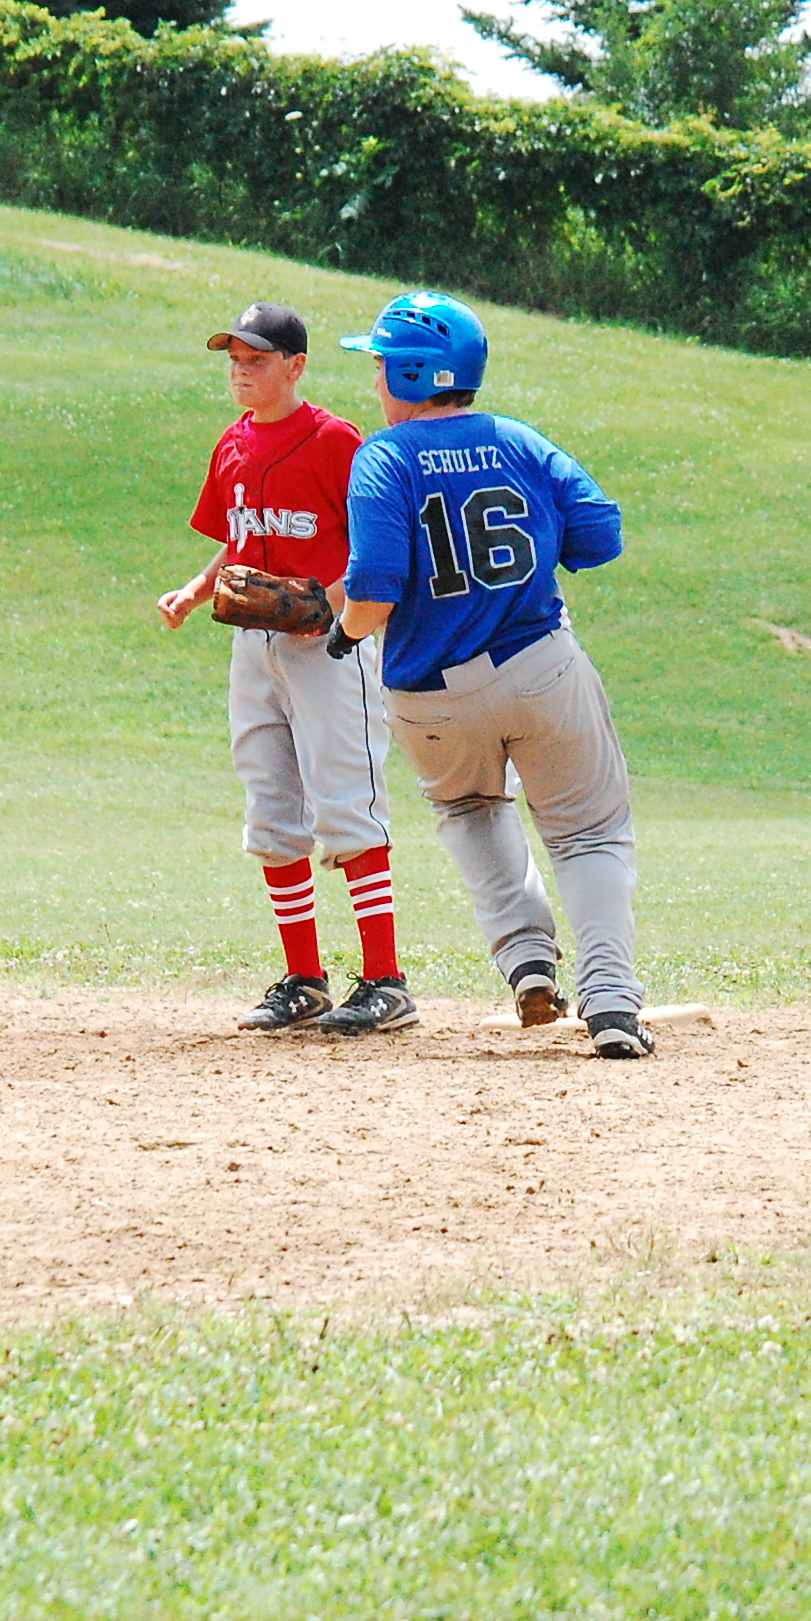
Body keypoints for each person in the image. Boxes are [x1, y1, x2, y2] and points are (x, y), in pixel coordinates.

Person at [324, 291, 654, 1059]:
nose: (375, 378)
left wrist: (344, 634)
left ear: (412, 375)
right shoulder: (517, 439)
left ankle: (527, 960)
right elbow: (600, 535)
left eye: (381, 364)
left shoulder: (383, 458)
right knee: (588, 833)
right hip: (540, 667)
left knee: (470, 808)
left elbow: (374, 588)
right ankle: (610, 1002)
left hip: (429, 694)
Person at [157, 302, 413, 1035]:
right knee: (270, 809)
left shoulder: (336, 442)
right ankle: (305, 981)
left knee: (347, 802)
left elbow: (376, 537)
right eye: (234, 360)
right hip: (254, 649)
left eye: (257, 359)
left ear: (296, 366)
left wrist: (330, 604)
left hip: (330, 647)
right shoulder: (233, 445)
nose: (241, 371)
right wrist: (195, 590)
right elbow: (236, 541)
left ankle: (387, 981)